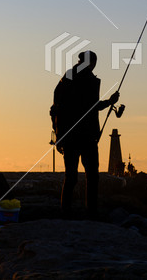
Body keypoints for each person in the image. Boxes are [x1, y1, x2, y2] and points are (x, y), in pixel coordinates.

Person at [50, 50, 119, 218]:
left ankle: (66, 213)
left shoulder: (67, 78)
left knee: (72, 176)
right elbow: (92, 107)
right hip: (84, 137)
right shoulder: (88, 81)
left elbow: (55, 109)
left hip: (72, 137)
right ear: (90, 63)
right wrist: (110, 102)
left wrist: (58, 135)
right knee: (91, 176)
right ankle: (91, 213)